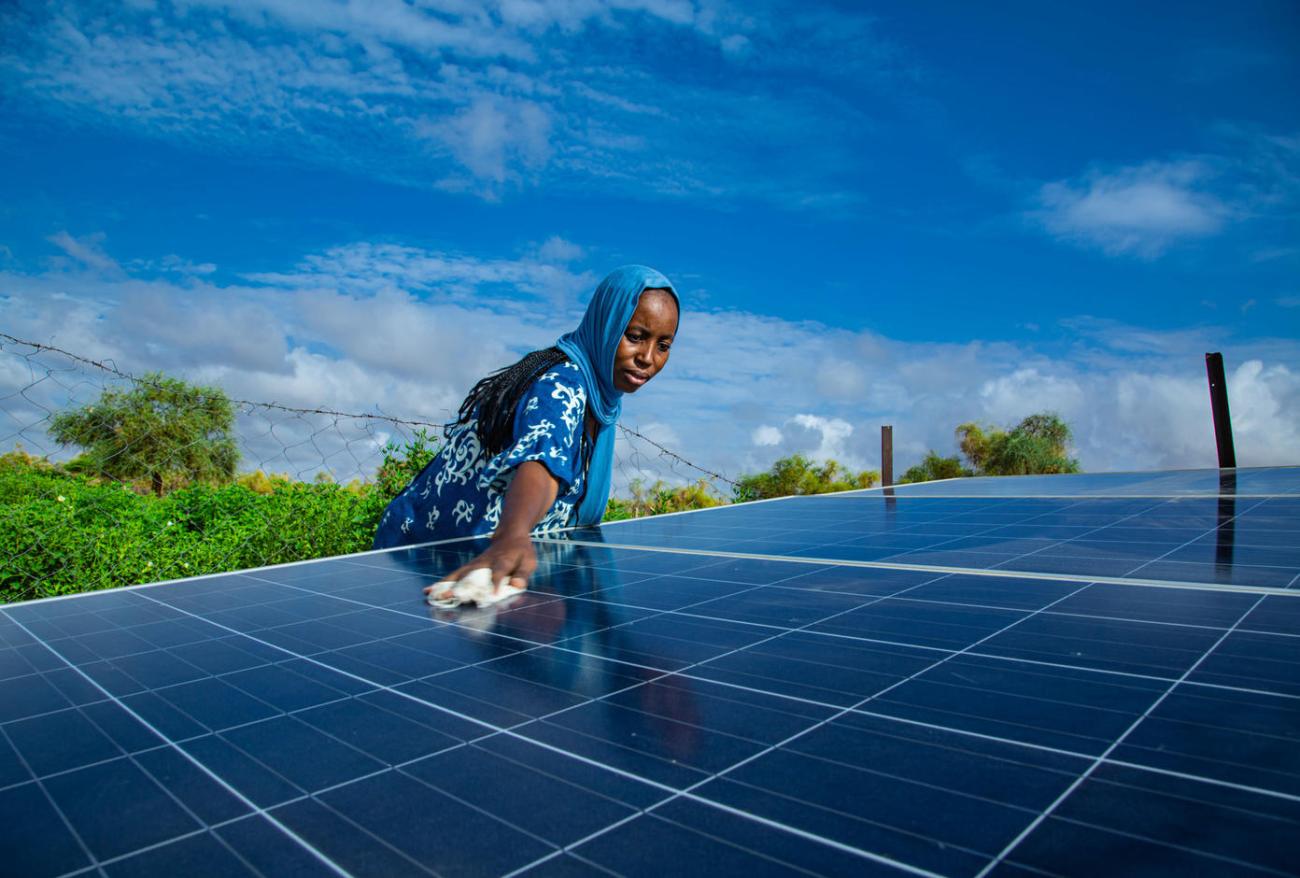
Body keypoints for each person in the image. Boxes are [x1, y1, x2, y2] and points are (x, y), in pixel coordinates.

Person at [371, 264, 680, 603]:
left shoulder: (601, 400)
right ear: (605, 324)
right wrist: (514, 532)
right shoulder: (562, 386)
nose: (648, 358)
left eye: (663, 345)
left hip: (479, 558)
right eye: (635, 337)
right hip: (420, 554)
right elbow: (542, 462)